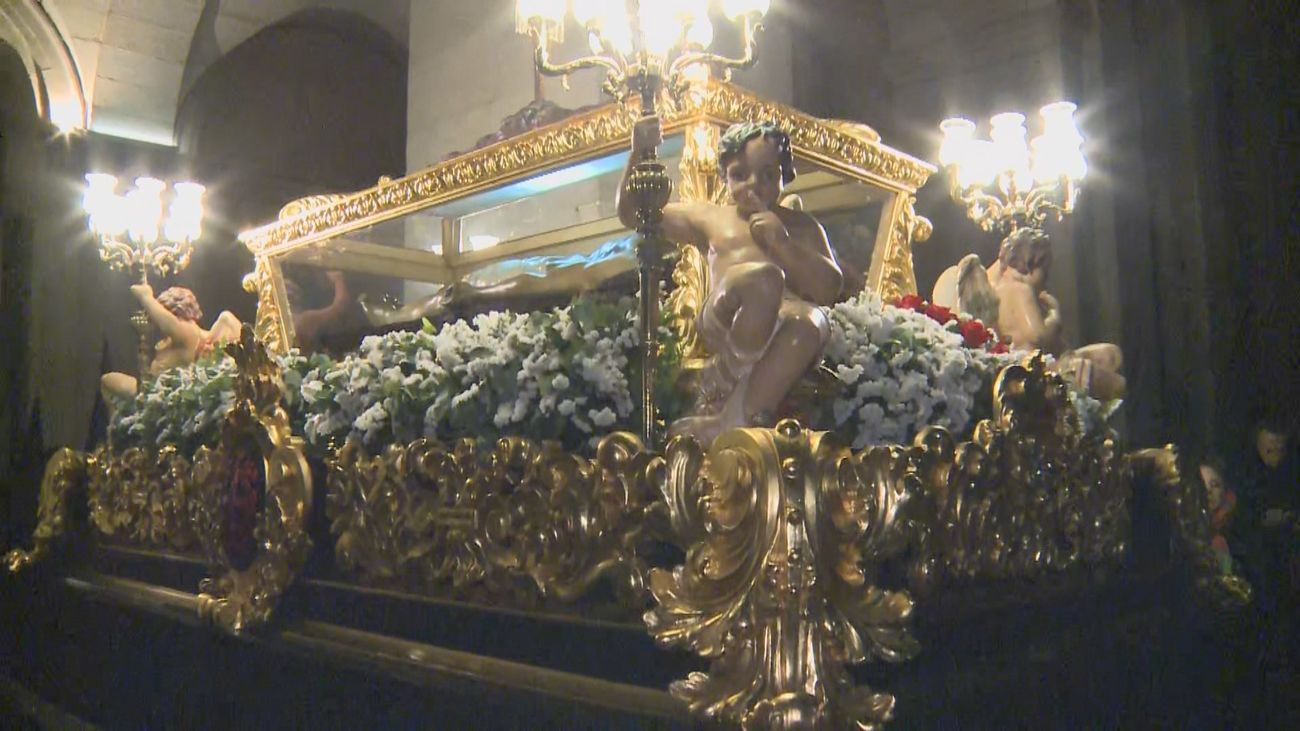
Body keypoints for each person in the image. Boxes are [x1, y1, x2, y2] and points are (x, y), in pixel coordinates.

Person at [618, 118, 843, 445]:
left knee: (811, 322)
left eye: (768, 175)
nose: (754, 185)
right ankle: (722, 377)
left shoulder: (801, 226)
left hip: (782, 326)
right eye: (740, 174)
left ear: (785, 176)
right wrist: (638, 151)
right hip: (728, 316)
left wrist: (782, 244)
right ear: (724, 174)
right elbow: (633, 214)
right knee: (765, 279)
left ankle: (733, 418)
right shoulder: (710, 217)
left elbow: (828, 289)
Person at [933, 227, 1126, 400]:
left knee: (1110, 356)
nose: (1047, 278)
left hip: (1029, 364)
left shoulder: (1004, 288)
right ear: (1033, 265)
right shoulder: (1020, 290)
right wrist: (1054, 317)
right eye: (1045, 269)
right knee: (1113, 380)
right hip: (1031, 370)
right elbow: (1038, 335)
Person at [100, 284, 240, 409]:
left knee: (110, 382)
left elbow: (166, 321)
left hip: (161, 398)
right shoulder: (181, 335)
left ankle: (117, 433)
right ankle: (116, 431)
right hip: (153, 390)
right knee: (109, 381)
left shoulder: (187, 331)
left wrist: (145, 296)